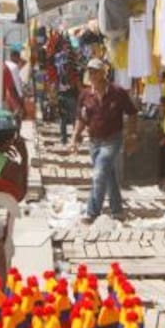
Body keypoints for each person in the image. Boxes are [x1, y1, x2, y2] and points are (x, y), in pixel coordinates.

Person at [70, 57, 138, 224]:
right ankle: (117, 211)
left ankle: (92, 212)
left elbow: (132, 113)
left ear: (103, 73)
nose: (91, 74)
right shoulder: (85, 95)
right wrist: (74, 138)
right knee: (108, 174)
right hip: (94, 141)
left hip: (112, 140)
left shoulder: (118, 92)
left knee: (100, 173)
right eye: (89, 71)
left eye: (95, 71)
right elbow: (81, 118)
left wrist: (131, 135)